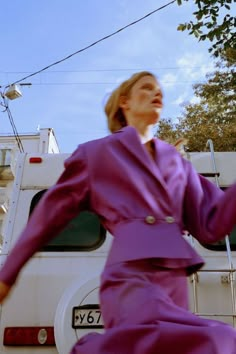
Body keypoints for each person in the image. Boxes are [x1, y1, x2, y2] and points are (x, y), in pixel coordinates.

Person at [0, 71, 236, 354]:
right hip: (131, 276)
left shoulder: (176, 162)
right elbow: (48, 216)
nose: (156, 93)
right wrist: (6, 275)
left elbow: (211, 225)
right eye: (147, 88)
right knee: (217, 341)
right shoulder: (97, 154)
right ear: (125, 102)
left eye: (159, 89)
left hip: (174, 281)